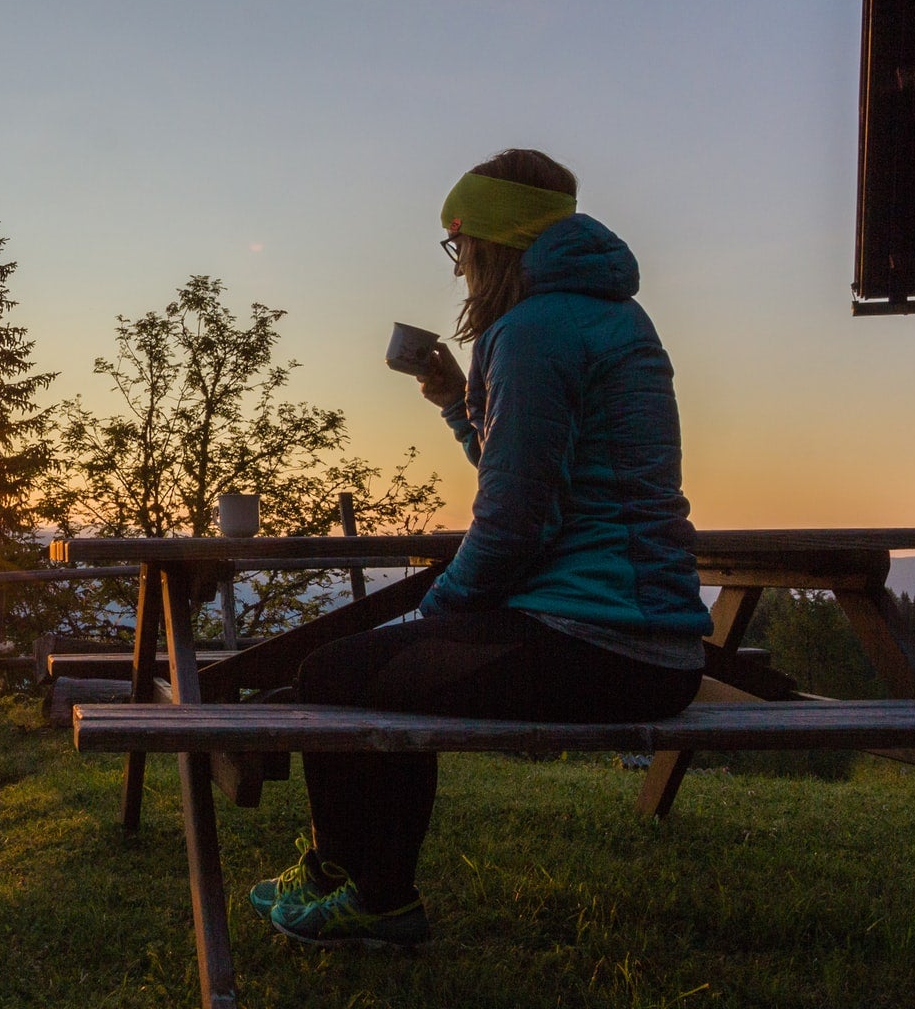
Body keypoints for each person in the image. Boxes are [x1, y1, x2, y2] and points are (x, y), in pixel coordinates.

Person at [252, 148, 711, 950]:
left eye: (458, 242)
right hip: (651, 639)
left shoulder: (530, 331)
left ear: (489, 242)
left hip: (599, 644)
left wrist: (433, 611)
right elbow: (536, 475)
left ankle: (373, 893)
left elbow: (515, 523)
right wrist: (453, 400)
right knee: (367, 668)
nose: (457, 263)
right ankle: (346, 877)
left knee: (337, 675)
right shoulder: (607, 315)